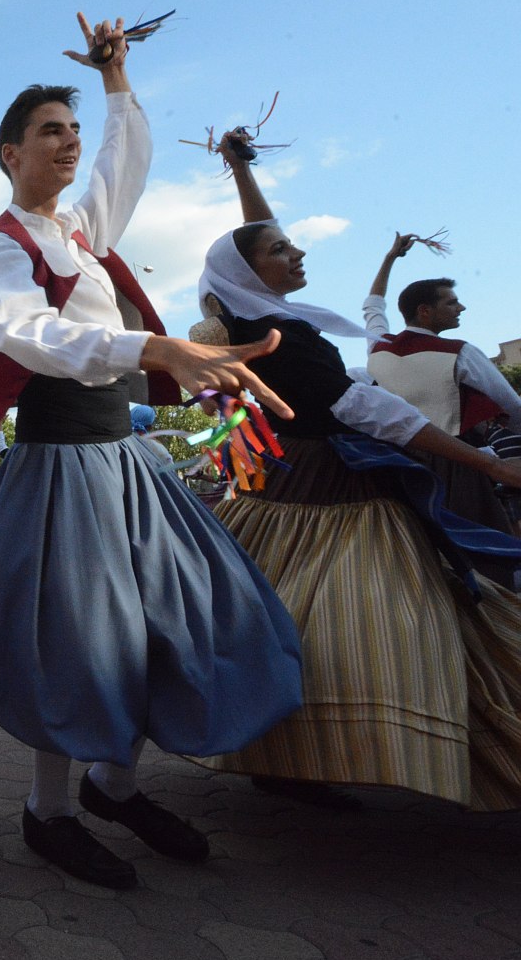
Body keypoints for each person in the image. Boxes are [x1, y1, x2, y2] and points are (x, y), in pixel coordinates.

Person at [0, 15, 305, 889]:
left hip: (123, 458)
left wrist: (115, 80)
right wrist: (152, 348)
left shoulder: (80, 231)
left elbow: (126, 161)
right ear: (10, 154)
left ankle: (112, 787)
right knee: (79, 643)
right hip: (61, 462)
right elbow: (28, 334)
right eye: (50, 131)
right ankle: (48, 811)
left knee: (177, 620)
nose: (69, 142)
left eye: (73, 129)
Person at [192, 127, 521, 812]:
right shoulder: (285, 340)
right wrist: (488, 464)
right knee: (382, 617)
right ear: (252, 272)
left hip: (281, 483)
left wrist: (241, 168)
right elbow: (375, 414)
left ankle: (283, 753)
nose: (297, 251)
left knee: (281, 615)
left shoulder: (241, 311)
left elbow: (250, 241)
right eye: (282, 251)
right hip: (332, 488)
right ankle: (329, 749)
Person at [362, 238, 521, 566]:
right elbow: (511, 406)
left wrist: (389, 258)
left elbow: (372, 306)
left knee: (426, 559)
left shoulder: (377, 347)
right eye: (452, 302)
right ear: (425, 311)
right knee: (483, 557)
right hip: (458, 463)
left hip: (398, 466)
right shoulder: (460, 352)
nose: (461, 308)